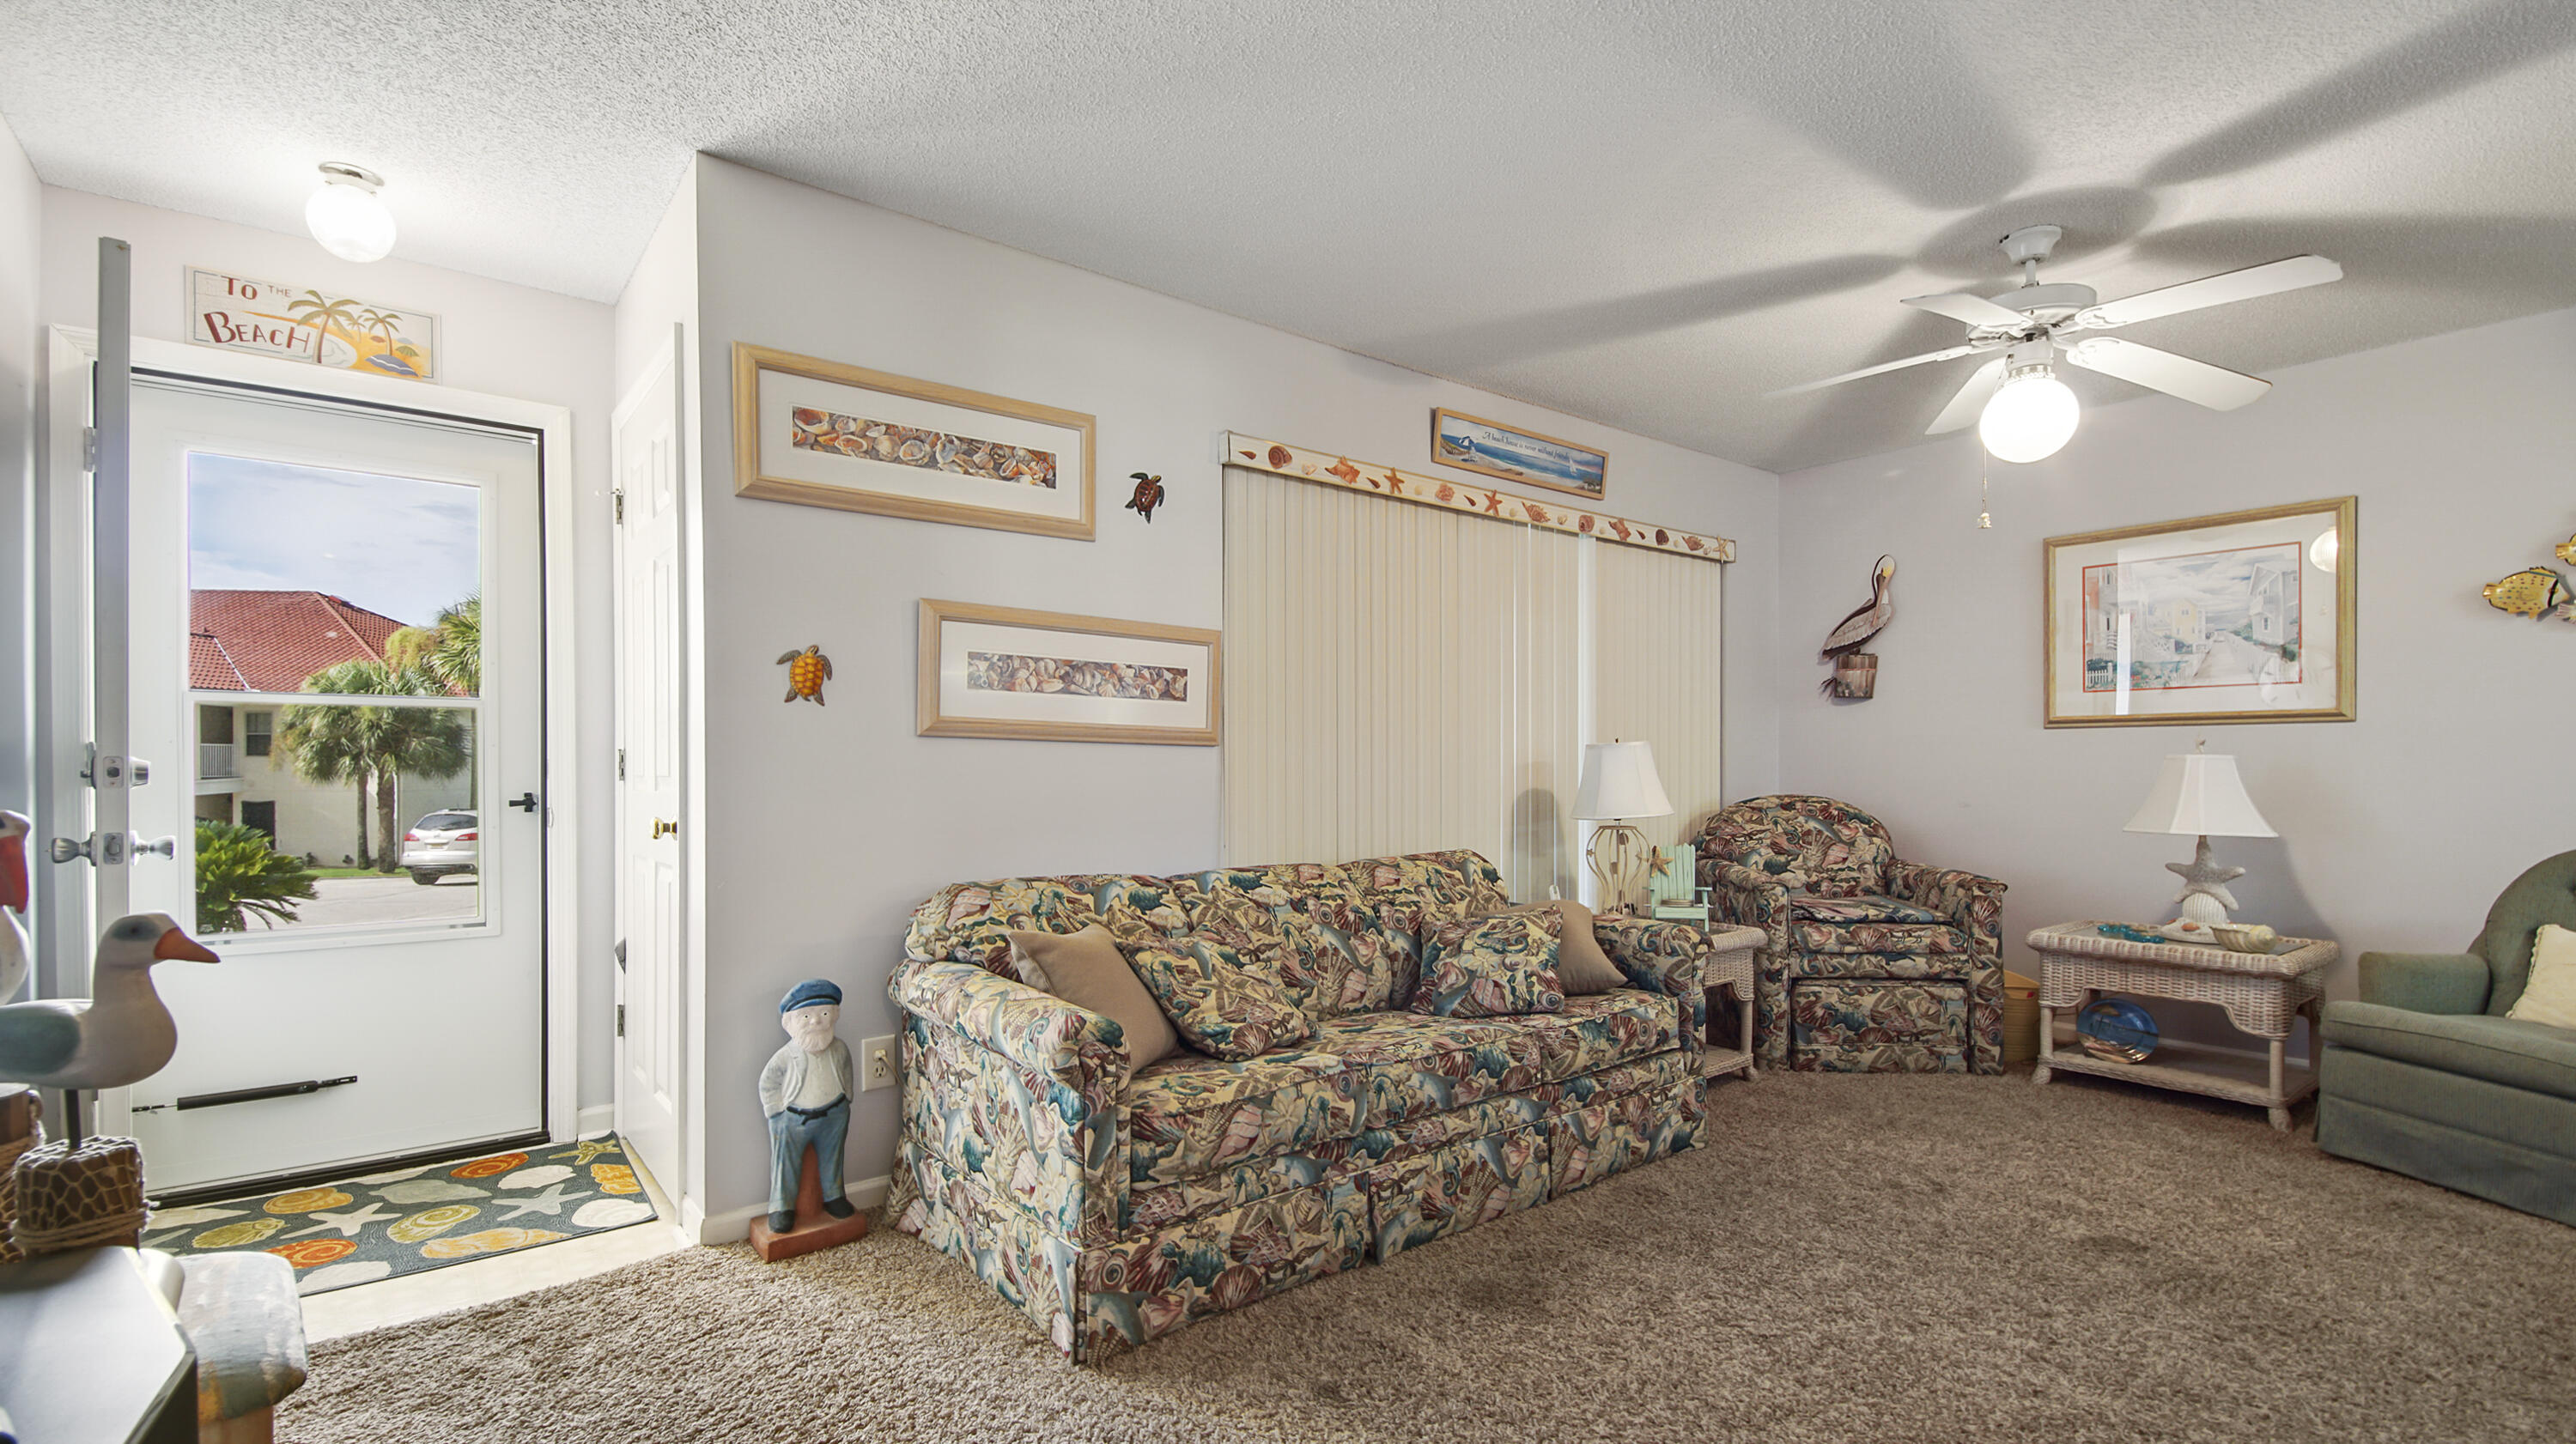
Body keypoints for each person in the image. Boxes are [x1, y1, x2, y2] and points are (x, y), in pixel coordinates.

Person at [757, 979, 858, 1235]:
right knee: (785, 1161)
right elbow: (768, 1083)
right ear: (789, 1022)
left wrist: (847, 1097)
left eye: (824, 1014)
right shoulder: (786, 1056)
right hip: (793, 1118)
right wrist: (776, 1112)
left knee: (832, 1156)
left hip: (834, 1114)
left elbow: (846, 1070)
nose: (816, 1022)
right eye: (806, 1016)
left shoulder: (839, 1049)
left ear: (834, 1015)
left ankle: (834, 1196)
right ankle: (782, 1207)